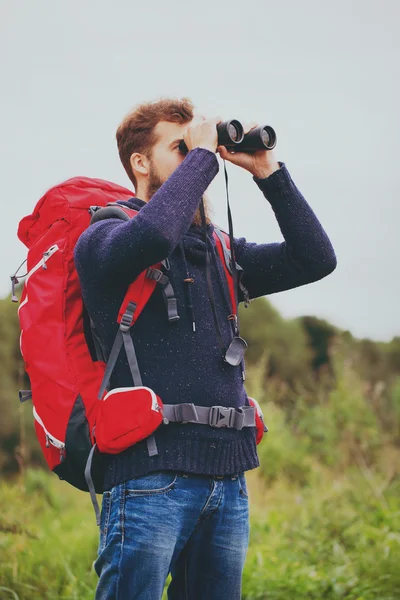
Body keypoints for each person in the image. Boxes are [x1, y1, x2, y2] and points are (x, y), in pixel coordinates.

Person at [74, 97, 337, 600]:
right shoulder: (104, 237)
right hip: (150, 479)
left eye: (200, 147)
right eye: (180, 147)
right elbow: (151, 235)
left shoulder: (218, 250)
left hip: (228, 479)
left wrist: (267, 171)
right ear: (140, 162)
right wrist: (203, 158)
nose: (201, 157)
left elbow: (316, 257)